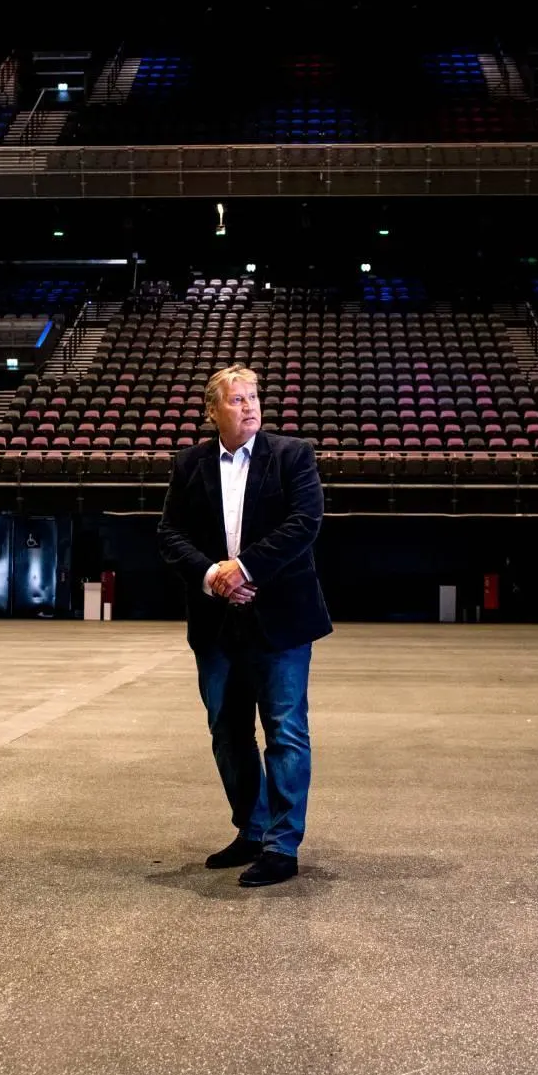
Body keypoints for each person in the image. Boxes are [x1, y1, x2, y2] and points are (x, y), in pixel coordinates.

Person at [157, 364, 332, 887]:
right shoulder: (189, 464)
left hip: (280, 616)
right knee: (227, 732)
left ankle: (282, 846)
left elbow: (305, 522)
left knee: (285, 731)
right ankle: (250, 831)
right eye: (236, 400)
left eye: (254, 397)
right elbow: (169, 533)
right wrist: (215, 576)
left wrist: (246, 568)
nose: (250, 406)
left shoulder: (292, 455)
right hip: (216, 622)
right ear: (213, 411)